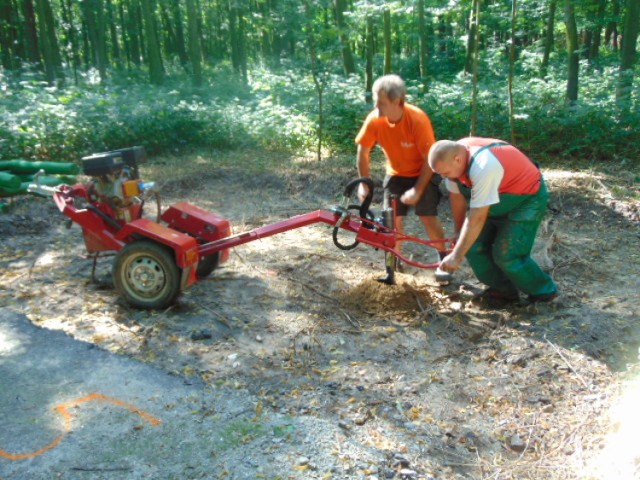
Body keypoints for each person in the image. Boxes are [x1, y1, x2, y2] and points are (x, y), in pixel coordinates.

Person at [428, 137, 558, 305]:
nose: (443, 177)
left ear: (457, 160)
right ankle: (503, 290)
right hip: (493, 201)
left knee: (508, 255)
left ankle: (544, 292)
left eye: (445, 173)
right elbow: (457, 198)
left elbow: (477, 218)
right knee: (473, 247)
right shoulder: (453, 158)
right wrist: (459, 232)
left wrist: (456, 256)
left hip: (525, 200)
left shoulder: (484, 165)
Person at [355, 74, 449, 277]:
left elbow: (429, 160)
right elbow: (363, 152)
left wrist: (417, 189)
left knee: (427, 216)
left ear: (397, 101)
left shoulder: (417, 119)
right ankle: (394, 264)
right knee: (391, 220)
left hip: (424, 171)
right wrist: (364, 184)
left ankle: (444, 260)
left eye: (381, 102)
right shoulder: (375, 119)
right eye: (375, 101)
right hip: (396, 174)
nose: (376, 106)